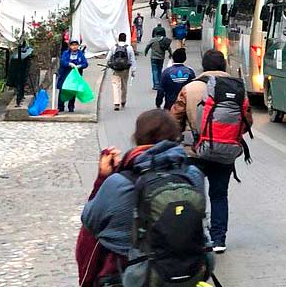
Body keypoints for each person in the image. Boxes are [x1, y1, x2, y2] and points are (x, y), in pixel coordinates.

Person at [78, 109, 213, 287]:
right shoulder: (193, 175)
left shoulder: (119, 183)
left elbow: (90, 221)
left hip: (129, 275)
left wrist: (103, 178)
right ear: (175, 137)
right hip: (186, 272)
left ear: (137, 138)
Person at [172, 49, 248, 252]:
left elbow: (174, 118)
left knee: (193, 195)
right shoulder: (237, 89)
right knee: (219, 195)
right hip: (224, 151)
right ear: (224, 66)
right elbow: (247, 120)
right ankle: (219, 240)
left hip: (193, 151)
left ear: (204, 66)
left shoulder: (190, 88)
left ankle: (196, 238)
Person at [57, 39, 89, 113]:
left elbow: (85, 63)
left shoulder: (80, 54)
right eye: (72, 45)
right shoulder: (66, 53)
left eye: (76, 45)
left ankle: (71, 107)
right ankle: (60, 106)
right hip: (65, 75)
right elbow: (63, 61)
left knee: (73, 90)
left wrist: (79, 66)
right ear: (70, 46)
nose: (74, 47)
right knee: (63, 90)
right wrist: (69, 64)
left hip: (75, 77)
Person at [109, 33, 136, 111]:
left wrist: (110, 65)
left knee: (115, 85)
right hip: (125, 69)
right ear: (125, 39)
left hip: (115, 69)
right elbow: (132, 59)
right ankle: (123, 100)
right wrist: (133, 70)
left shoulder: (114, 47)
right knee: (124, 85)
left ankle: (116, 103)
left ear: (118, 39)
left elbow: (108, 58)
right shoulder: (129, 48)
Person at [7, 43, 34, 107]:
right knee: (19, 85)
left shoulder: (20, 58)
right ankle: (18, 100)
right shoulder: (16, 58)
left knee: (21, 84)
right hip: (18, 74)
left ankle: (20, 97)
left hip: (21, 73)